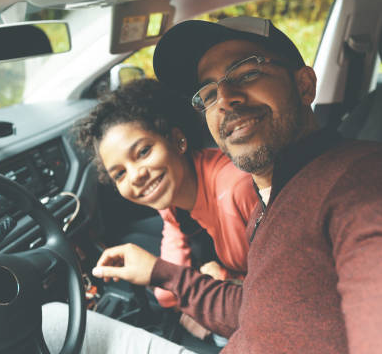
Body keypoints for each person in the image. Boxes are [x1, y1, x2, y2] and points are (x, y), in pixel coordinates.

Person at [45, 16, 382, 353]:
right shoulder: (274, 198)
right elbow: (256, 309)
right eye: (208, 93)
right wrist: (162, 273)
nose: (226, 99)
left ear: (304, 84)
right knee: (53, 319)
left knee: (48, 321)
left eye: (247, 72)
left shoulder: (369, 184)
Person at [72, 79, 257, 333]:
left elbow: (278, 298)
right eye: (120, 174)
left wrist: (225, 281)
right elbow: (166, 296)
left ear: (178, 140)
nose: (136, 175)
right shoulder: (172, 203)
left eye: (144, 151)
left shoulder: (237, 190)